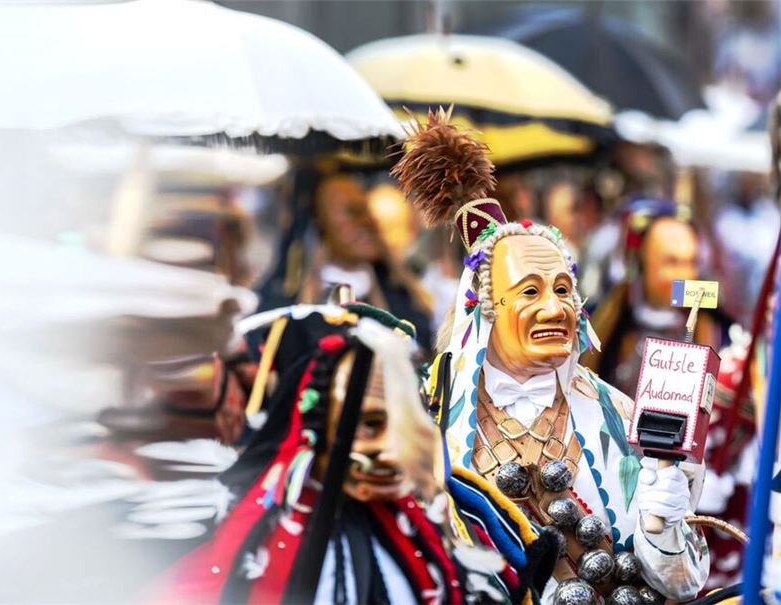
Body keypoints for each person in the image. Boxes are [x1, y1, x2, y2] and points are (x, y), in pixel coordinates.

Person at [392, 109, 710, 604]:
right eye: (530, 290)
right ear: (484, 310)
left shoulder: (620, 416)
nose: (554, 307)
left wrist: (660, 526)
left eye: (564, 289)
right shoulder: (427, 413)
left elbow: (683, 582)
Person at [151, 303, 558, 604]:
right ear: (315, 430)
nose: (388, 450)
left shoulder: (441, 528)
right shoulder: (247, 540)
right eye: (368, 426)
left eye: (400, 426)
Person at [256, 169, 433, 350]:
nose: (366, 222)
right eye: (351, 212)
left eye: (366, 211)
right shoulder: (285, 305)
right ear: (320, 222)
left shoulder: (403, 296)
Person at [581, 198, 731, 395]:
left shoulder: (720, 333)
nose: (685, 275)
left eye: (692, 262)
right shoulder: (599, 327)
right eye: (671, 263)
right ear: (642, 264)